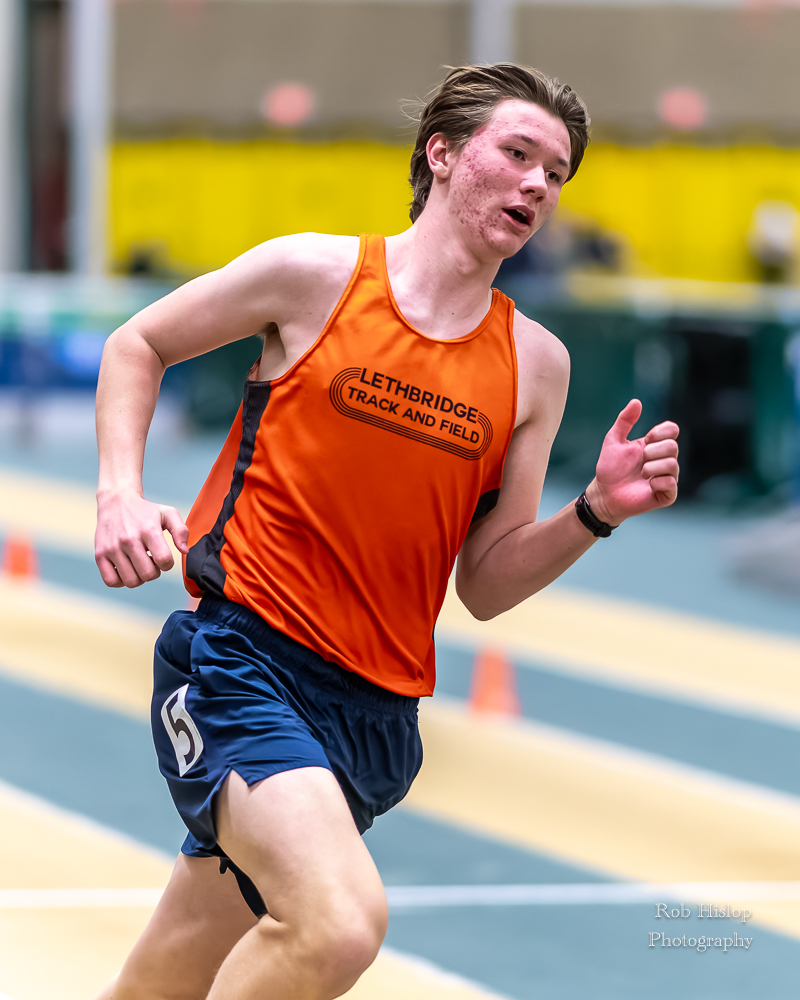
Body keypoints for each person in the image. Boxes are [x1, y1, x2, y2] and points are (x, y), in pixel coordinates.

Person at [93, 64, 679, 1000]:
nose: (537, 184)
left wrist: (595, 512)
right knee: (338, 924)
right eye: (517, 153)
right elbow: (139, 343)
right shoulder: (315, 276)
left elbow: (486, 581)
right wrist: (118, 492)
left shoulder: (535, 364)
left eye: (556, 173)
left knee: (170, 973)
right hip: (242, 661)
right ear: (441, 154)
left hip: (375, 718)